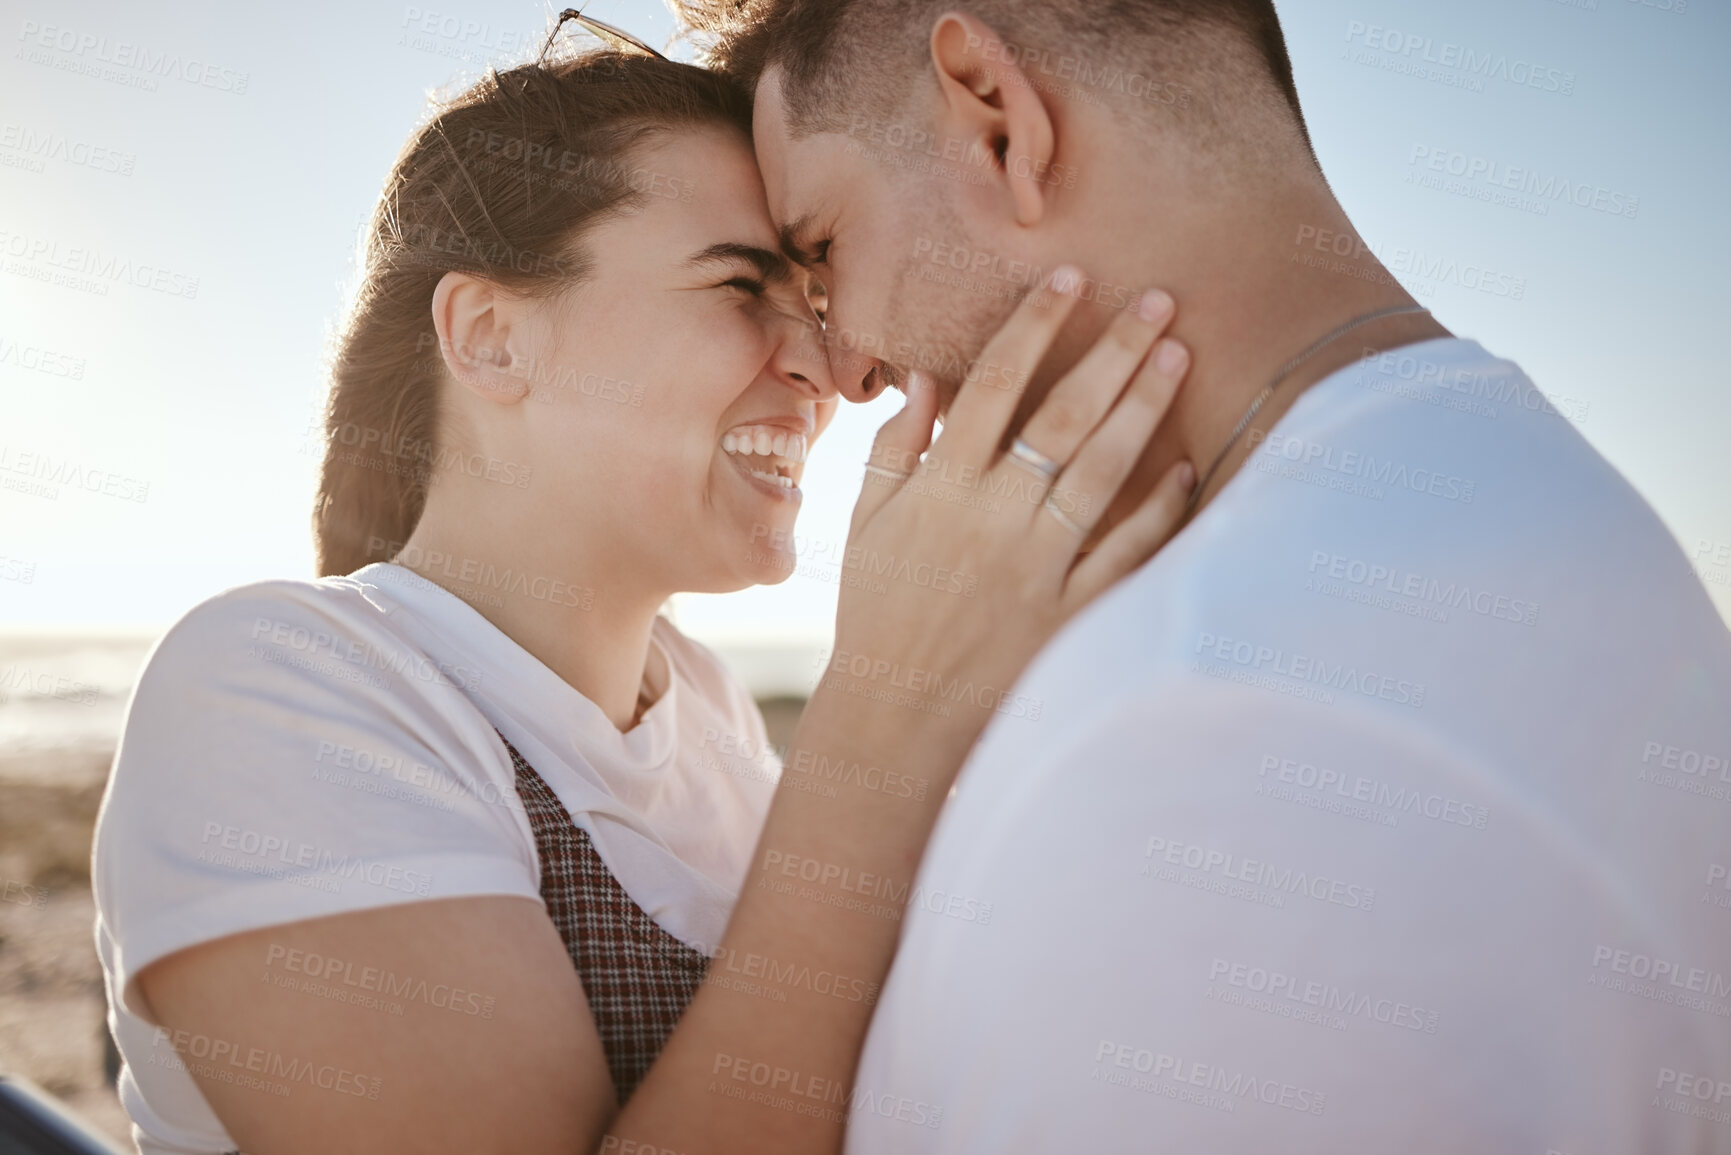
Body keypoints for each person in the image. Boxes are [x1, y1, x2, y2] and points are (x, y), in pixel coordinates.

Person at [89, 33, 1198, 1155]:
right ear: (491, 337)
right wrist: (883, 716)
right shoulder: (277, 682)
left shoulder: (711, 716)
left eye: (815, 296)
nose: (825, 368)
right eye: (739, 285)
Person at [680, 0, 1731, 1150]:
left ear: (998, 122)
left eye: (825, 249)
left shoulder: (1208, 735)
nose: (847, 370)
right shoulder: (1541, 505)